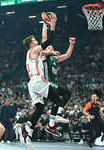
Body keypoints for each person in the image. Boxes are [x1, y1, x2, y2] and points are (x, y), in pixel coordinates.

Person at [19, 14, 62, 150]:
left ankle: (26, 130)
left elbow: (44, 43)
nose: (37, 41)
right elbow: (48, 40)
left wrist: (44, 23)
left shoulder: (32, 53)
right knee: (57, 100)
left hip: (32, 83)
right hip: (38, 81)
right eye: (34, 40)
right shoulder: (34, 50)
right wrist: (52, 26)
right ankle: (51, 126)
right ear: (31, 44)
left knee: (40, 108)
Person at [41, 12, 76, 123]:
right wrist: (44, 24)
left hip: (51, 84)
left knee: (42, 108)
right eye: (49, 47)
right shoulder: (44, 56)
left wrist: (71, 44)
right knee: (66, 93)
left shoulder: (54, 59)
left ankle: (53, 121)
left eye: (51, 47)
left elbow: (67, 55)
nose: (50, 48)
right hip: (46, 83)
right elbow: (44, 38)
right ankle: (57, 115)